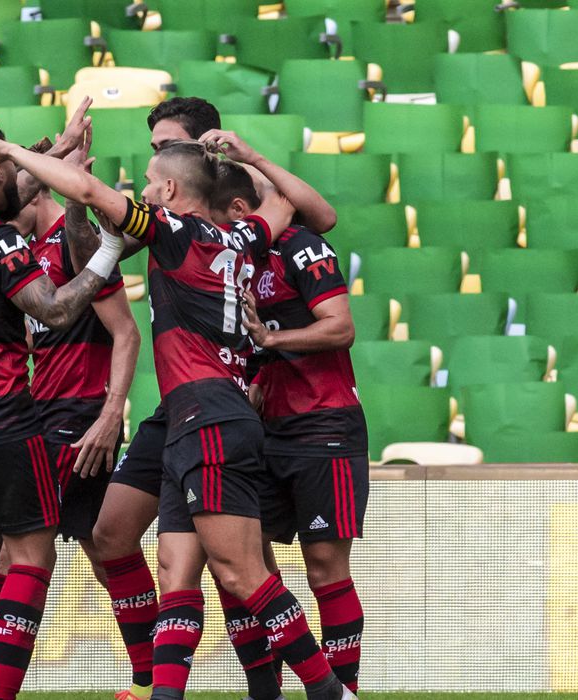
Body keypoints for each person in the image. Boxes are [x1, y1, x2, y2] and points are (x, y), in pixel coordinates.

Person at [0, 131, 354, 700]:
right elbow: (295, 205)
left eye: (146, 182)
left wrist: (12, 153)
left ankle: (327, 691)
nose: (140, 189)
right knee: (171, 563)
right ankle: (160, 692)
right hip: (207, 414)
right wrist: (257, 158)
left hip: (208, 413)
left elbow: (89, 189)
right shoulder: (243, 236)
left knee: (240, 573)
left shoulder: (176, 231)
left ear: (167, 188)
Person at [86, 97, 339, 700]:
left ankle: (289, 690)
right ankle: (157, 685)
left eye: (164, 150)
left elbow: (318, 215)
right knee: (116, 535)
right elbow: (98, 252)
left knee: (237, 571)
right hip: (180, 407)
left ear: (199, 152)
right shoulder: (176, 218)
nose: (153, 167)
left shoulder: (226, 200)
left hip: (220, 404)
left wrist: (253, 157)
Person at [0, 108, 124, 700]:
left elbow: (11, 190)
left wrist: (57, 149)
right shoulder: (1, 242)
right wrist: (106, 254)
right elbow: (56, 309)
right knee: (32, 558)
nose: (14, 165)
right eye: (3, 156)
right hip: (1, 416)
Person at [209, 160, 368, 697]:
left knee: (324, 567)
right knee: (238, 561)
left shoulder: (301, 246)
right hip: (262, 427)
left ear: (239, 209)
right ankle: (266, 690)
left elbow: (340, 327)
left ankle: (341, 689)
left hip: (324, 421)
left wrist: (273, 344)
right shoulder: (235, 259)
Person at [10, 137, 141, 584]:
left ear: (39, 190)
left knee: (16, 554)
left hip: (77, 417)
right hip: (44, 410)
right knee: (104, 550)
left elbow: (126, 332)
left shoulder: (75, 240)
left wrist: (109, 417)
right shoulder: (27, 255)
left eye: (16, 199)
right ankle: (157, 650)